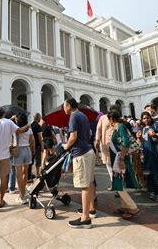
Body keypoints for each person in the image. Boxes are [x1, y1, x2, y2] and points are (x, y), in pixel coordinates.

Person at [0, 108, 30, 211]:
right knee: (4, 178)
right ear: (4, 114)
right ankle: (1, 199)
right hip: (5, 155)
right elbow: (20, 130)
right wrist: (28, 125)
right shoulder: (8, 122)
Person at [62, 98, 96, 229]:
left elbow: (73, 137)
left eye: (64, 106)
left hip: (81, 153)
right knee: (90, 181)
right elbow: (88, 133)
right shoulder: (83, 115)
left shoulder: (73, 116)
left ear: (69, 105)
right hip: (88, 150)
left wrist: (66, 146)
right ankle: (91, 209)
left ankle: (85, 218)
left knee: (84, 186)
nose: (64, 109)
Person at [108, 110, 140, 218]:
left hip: (120, 158)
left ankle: (133, 207)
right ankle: (125, 206)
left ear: (111, 119)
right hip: (118, 158)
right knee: (119, 183)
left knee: (118, 184)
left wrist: (121, 159)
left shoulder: (120, 127)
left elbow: (126, 142)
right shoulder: (117, 128)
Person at [12, 112, 35, 204]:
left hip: (18, 151)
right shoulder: (29, 129)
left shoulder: (15, 129)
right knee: (25, 173)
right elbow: (32, 140)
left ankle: (22, 195)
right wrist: (32, 151)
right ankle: (24, 191)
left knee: (19, 174)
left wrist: (13, 118)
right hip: (27, 150)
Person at [96, 105, 120, 188]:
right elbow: (98, 130)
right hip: (106, 145)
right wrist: (97, 140)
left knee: (117, 165)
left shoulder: (118, 119)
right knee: (109, 165)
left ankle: (118, 184)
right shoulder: (103, 118)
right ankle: (115, 184)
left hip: (117, 146)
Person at [29, 113, 43, 181]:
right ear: (38, 118)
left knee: (31, 160)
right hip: (37, 145)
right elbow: (40, 137)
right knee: (37, 160)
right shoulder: (38, 126)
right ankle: (37, 174)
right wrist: (42, 145)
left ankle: (30, 173)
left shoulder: (31, 125)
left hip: (30, 145)